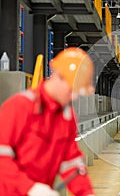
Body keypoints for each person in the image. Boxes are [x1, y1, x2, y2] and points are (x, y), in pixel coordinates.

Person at [0, 47, 96, 196]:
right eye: (71, 90)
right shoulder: (20, 107)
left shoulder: (66, 116)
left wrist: (86, 192)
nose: (74, 97)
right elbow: (2, 159)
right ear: (58, 77)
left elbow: (71, 162)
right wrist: (29, 188)